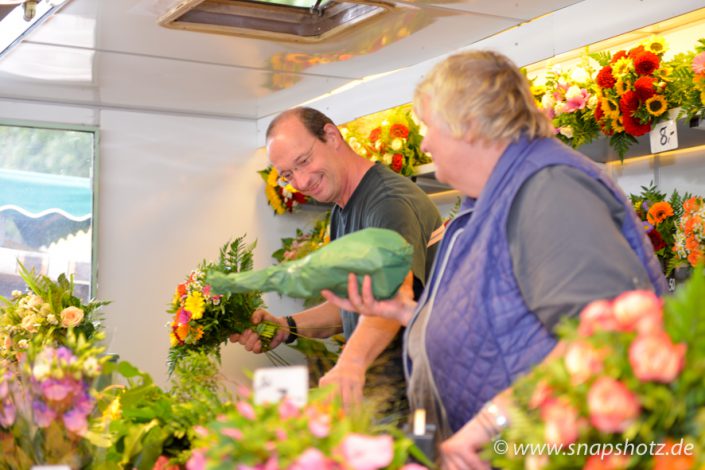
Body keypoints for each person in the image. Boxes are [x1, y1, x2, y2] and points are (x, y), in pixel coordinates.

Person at [322, 50, 667, 469]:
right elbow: (498, 308)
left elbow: (605, 337)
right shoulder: (491, 195)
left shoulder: (550, 188)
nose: (425, 143)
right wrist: (412, 314)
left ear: (467, 124)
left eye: (428, 127)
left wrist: (493, 421)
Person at [231, 107, 443, 418]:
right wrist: (285, 327)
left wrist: (349, 364)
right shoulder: (342, 209)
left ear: (332, 137)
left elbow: (392, 295)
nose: (301, 181)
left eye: (303, 161)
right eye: (288, 174)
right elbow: (354, 306)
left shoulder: (387, 203)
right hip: (374, 402)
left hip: (411, 404)